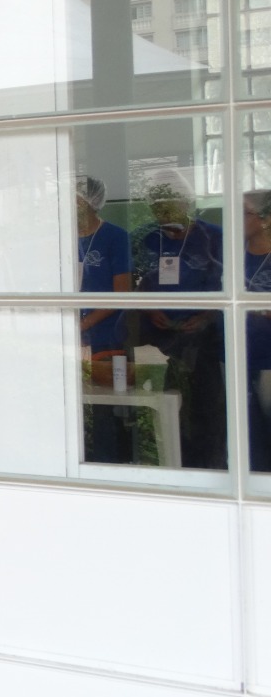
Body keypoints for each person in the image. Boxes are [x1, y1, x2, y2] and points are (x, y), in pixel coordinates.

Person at [130, 169, 225, 471]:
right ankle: (171, 464)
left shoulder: (213, 237)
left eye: (168, 206)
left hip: (202, 338)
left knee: (205, 407)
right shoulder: (147, 239)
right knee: (166, 403)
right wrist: (148, 308)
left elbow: (229, 289)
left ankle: (208, 468)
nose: (162, 214)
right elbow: (135, 284)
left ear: (186, 202)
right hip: (158, 339)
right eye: (156, 208)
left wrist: (205, 317)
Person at [76, 176, 134, 464]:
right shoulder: (62, 237)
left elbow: (121, 294)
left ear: (89, 203)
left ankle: (108, 467)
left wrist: (83, 324)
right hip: (71, 338)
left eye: (74, 199)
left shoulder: (115, 237)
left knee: (104, 410)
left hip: (105, 337)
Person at [245, 192, 271, 474]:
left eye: (244, 213)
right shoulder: (231, 254)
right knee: (246, 433)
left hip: (268, 359)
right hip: (234, 356)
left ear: (264, 219)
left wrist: (259, 309)